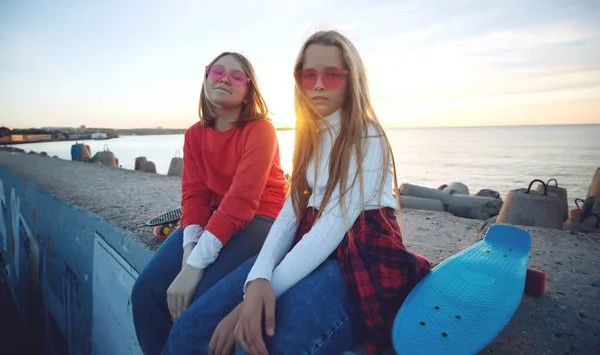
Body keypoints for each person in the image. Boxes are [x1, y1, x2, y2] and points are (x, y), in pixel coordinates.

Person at [162, 30, 432, 355]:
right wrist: (258, 278)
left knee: (257, 345)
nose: (318, 84)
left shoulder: (367, 137)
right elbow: (291, 214)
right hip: (305, 244)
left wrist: (260, 296)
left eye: (331, 75)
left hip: (356, 255)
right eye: (309, 75)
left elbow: (331, 229)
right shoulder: (312, 136)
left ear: (351, 79)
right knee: (187, 332)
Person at [131, 51, 288, 355]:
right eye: (217, 71)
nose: (226, 79)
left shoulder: (261, 130)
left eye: (237, 76)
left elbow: (242, 202)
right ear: (205, 78)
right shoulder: (193, 134)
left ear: (248, 92)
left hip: (260, 221)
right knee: (146, 294)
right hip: (214, 220)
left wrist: (194, 267)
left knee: (196, 299)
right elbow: (194, 196)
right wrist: (190, 251)